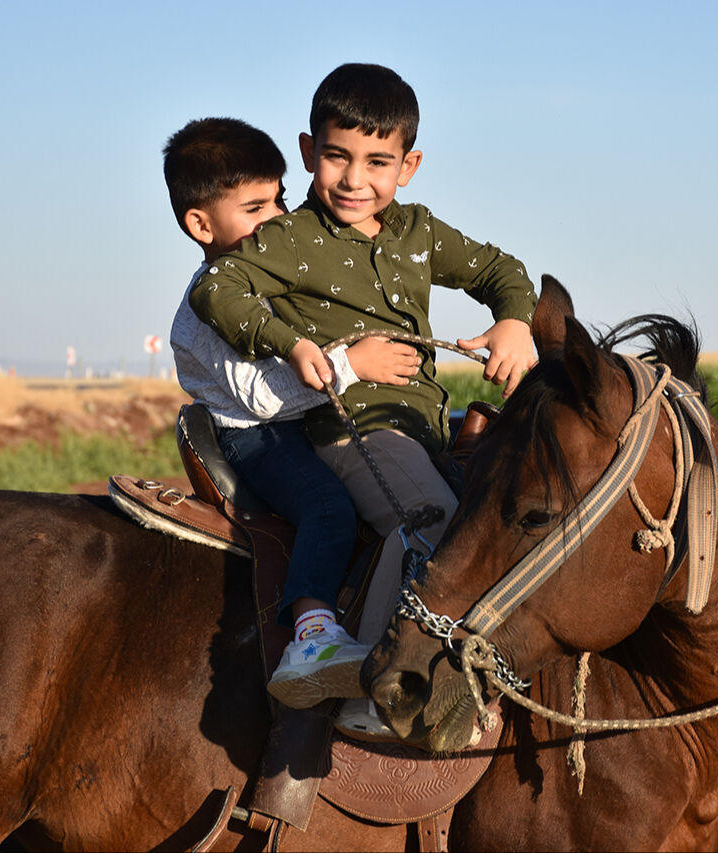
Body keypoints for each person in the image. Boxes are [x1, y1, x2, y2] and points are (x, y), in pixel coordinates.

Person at [188, 65, 538, 735]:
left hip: (423, 427)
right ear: (308, 152)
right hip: (351, 428)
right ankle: (377, 690)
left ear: (408, 165)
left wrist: (514, 321)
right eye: (337, 157)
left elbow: (500, 271)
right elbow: (218, 290)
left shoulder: (418, 232)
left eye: (378, 161)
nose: (354, 179)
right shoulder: (292, 240)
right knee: (433, 523)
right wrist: (292, 343)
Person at [163, 117, 423, 711]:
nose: (277, 217)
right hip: (259, 437)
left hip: (297, 420)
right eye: (255, 207)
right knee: (327, 506)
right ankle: (312, 633)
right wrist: (354, 367)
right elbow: (262, 398)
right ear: (201, 224)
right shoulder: (214, 303)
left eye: (279, 198)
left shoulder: (270, 277)